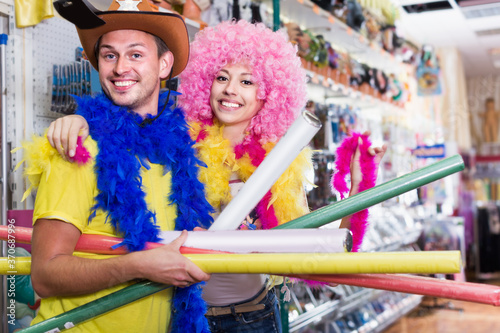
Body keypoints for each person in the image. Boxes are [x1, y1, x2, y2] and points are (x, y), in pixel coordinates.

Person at [48, 20, 387, 333]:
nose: (230, 90)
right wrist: (80, 121)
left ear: (268, 93)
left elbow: (312, 259)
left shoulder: (279, 163)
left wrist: (360, 188)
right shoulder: (178, 138)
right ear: (205, 82)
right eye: (222, 77)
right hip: (183, 315)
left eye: (247, 81)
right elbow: (129, 117)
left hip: (254, 317)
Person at [22, 0, 214, 332]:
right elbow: (45, 275)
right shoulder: (78, 147)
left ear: (164, 64)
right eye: (110, 55)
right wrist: (137, 266)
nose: (120, 67)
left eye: (136, 54)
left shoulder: (177, 154)